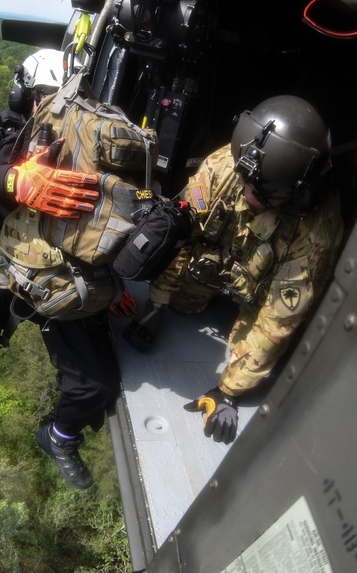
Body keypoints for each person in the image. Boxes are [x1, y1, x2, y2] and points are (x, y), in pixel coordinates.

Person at [0, 50, 122, 507]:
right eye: (42, 97)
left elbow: (116, 213)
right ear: (23, 96)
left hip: (57, 269)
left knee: (97, 384)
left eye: (59, 97)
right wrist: (15, 182)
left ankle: (60, 435)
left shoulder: (85, 145)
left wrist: (116, 276)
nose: (50, 106)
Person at [124, 95, 344, 444]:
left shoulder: (317, 231)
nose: (247, 192)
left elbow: (279, 320)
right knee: (184, 302)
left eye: (263, 191)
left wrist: (229, 390)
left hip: (265, 291)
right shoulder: (226, 166)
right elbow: (186, 234)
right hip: (224, 264)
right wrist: (157, 304)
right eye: (246, 181)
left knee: (270, 352)